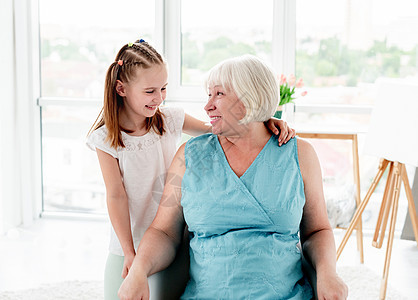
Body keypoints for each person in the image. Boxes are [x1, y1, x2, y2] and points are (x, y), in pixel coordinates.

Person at [118, 54, 348, 300]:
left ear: (250, 97)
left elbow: (317, 231)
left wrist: (328, 272)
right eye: (209, 95)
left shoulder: (300, 154)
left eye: (219, 94)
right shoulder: (189, 156)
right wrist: (139, 270)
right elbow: (164, 232)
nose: (207, 106)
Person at [86, 40, 295, 300]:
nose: (160, 98)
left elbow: (216, 130)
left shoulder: (169, 118)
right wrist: (130, 253)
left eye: (163, 89)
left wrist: (263, 118)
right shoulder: (106, 138)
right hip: (131, 238)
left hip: (175, 232)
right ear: (121, 89)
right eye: (150, 91)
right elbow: (116, 195)